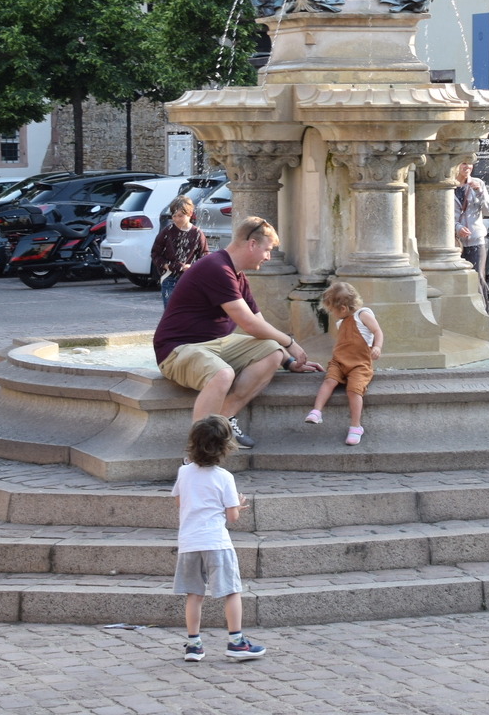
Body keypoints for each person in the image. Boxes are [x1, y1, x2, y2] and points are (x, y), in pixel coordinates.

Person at [155, 217, 323, 449]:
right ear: (252, 244)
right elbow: (249, 325)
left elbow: (259, 323)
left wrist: (289, 361)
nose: (268, 257)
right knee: (223, 375)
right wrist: (290, 342)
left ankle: (224, 420)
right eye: (267, 250)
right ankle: (197, 454)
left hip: (214, 345)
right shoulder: (216, 267)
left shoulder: (237, 275)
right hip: (177, 350)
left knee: (273, 352)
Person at [172, 415, 265, 662]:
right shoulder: (224, 477)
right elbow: (232, 517)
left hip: (189, 543)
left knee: (194, 594)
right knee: (231, 591)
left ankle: (194, 645)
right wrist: (237, 505)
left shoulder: (184, 472)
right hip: (216, 542)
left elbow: (180, 502)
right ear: (225, 447)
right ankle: (236, 642)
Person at [304, 280, 384, 445]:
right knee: (329, 381)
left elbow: (377, 331)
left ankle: (355, 426)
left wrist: (377, 346)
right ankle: (316, 411)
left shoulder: (363, 315)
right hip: (339, 362)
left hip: (359, 365)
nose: (332, 314)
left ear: (343, 308)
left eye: (332, 311)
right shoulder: (342, 322)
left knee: (354, 390)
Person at [151, 195, 208, 308]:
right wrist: (168, 266)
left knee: (189, 311)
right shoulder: (167, 231)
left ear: (190, 214)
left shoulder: (197, 233)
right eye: (174, 216)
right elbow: (155, 254)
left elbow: (204, 257)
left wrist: (192, 267)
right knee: (171, 311)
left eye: (180, 216)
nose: (176, 219)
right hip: (170, 278)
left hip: (190, 278)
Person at [453, 160, 489, 276]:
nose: (468, 167)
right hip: (454, 243)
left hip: (476, 241)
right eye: (463, 163)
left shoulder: (478, 183)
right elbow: (443, 214)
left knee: (477, 278)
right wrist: (456, 227)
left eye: (470, 163)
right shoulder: (447, 186)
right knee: (458, 279)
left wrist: (479, 192)